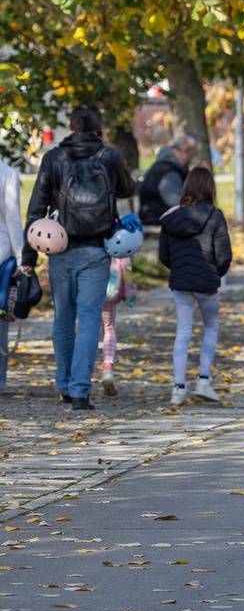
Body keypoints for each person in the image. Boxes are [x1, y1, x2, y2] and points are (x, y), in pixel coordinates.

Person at [22, 106, 138, 410]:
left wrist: (28, 260)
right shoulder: (109, 156)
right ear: (98, 127)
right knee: (89, 319)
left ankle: (63, 386)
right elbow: (127, 188)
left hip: (59, 249)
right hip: (96, 250)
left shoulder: (54, 158)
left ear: (71, 126)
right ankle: (80, 391)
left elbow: (36, 210)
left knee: (63, 318)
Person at [157, 166, 233, 406]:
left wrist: (179, 270)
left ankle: (178, 388)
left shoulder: (170, 218)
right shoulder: (215, 216)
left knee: (183, 332)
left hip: (181, 283)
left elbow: (164, 255)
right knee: (211, 326)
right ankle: (203, 381)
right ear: (210, 188)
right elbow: (224, 254)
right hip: (207, 283)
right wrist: (214, 274)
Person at [97, 251, 138, 397]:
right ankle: (107, 368)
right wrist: (130, 294)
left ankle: (81, 375)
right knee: (109, 327)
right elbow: (126, 268)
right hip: (110, 290)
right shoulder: (116, 237)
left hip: (89, 286)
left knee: (87, 328)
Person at [138, 132, 198, 226]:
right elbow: (178, 203)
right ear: (184, 151)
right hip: (157, 221)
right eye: (193, 152)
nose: (194, 155)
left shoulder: (173, 166)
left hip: (164, 218)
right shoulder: (168, 171)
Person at [0, 148, 21, 392]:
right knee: (1, 317)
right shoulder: (7, 174)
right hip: (2, 252)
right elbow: (13, 220)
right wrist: (21, 256)